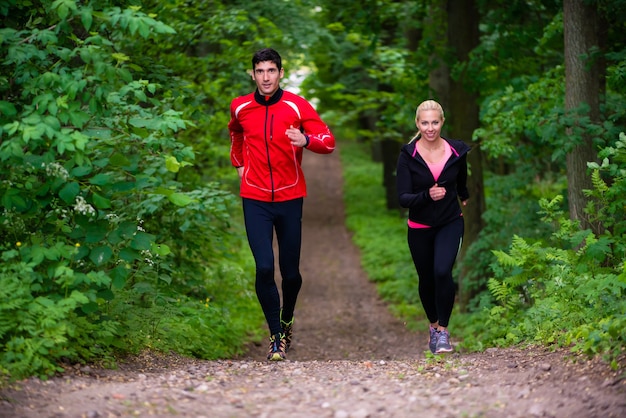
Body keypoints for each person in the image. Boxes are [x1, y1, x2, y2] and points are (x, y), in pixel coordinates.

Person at [228, 48, 335, 361]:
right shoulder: (240, 107)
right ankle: (276, 336)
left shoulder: (297, 106)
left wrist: (306, 141)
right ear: (252, 74)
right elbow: (235, 134)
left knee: (291, 274)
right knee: (263, 267)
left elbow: (328, 141)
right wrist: (239, 164)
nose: (265, 77)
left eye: (271, 71)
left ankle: (287, 320)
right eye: (259, 71)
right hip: (255, 197)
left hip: (290, 197)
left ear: (280, 73)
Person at [396, 100, 470, 354]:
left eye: (435, 122)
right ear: (418, 123)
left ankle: (443, 332)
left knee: (442, 272)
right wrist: (427, 195)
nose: (430, 128)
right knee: (427, 278)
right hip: (419, 226)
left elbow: (460, 175)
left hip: (450, 221)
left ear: (442, 122)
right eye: (425, 123)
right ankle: (433, 325)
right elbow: (403, 197)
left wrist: (463, 193)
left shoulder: (456, 151)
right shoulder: (408, 155)